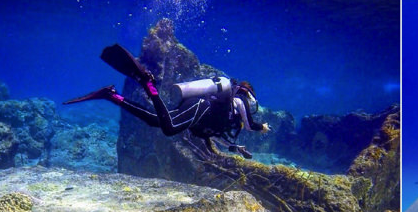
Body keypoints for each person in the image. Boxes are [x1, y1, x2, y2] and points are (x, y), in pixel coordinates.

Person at [64, 43, 268, 159]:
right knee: (169, 128)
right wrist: (262, 127)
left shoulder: (226, 122)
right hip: (199, 106)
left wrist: (236, 148)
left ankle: (112, 95)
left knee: (156, 120)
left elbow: (216, 138)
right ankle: (147, 83)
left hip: (197, 111)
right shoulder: (237, 101)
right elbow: (250, 125)